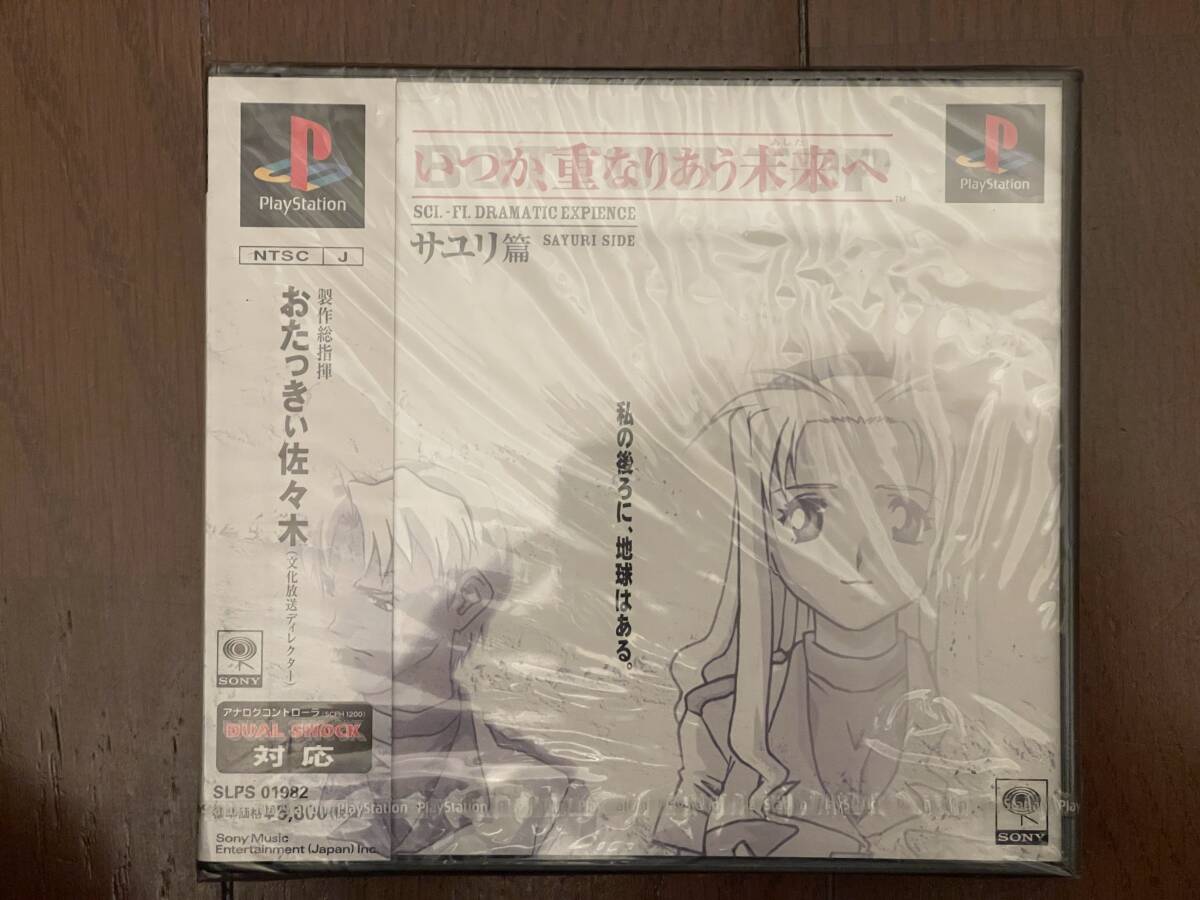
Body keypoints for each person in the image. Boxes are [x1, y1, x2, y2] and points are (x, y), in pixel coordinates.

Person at [652, 366, 1053, 859]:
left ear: (948, 529)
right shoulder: (721, 718)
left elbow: (1026, 847)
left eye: (904, 515)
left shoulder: (993, 726)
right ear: (764, 532)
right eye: (809, 513)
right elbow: (668, 860)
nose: (858, 554)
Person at [317, 463, 588, 856]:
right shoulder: (286, 769)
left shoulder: (544, 793)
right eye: (332, 591)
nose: (336, 625)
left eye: (380, 600)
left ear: (465, 600)